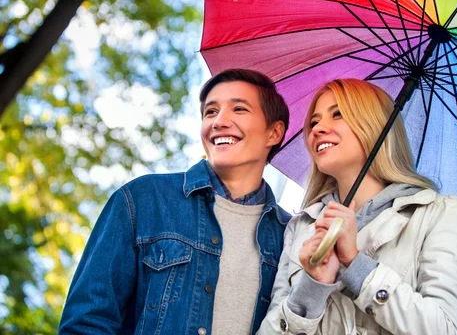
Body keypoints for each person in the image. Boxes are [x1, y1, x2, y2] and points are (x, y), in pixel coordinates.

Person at [60, 69, 292, 334]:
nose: (219, 121)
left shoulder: (291, 236)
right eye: (211, 112)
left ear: (274, 133)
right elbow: (87, 322)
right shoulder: (143, 200)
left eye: (238, 109)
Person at [259, 79, 457, 335]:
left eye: (338, 114)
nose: (317, 129)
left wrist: (357, 264)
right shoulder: (301, 226)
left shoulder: (437, 213)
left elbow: (446, 329)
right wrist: (313, 286)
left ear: (373, 125)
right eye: (314, 122)